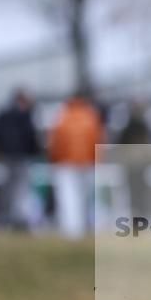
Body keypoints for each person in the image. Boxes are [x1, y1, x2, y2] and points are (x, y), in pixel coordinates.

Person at [47, 93, 105, 239]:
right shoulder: (90, 116)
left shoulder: (62, 117)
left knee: (68, 198)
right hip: (86, 163)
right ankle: (86, 227)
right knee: (85, 198)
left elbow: (55, 143)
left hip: (66, 163)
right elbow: (97, 140)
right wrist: (95, 160)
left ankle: (72, 230)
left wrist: (55, 160)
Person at [0, 89, 40, 229]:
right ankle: (16, 219)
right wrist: (35, 152)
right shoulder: (26, 116)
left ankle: (6, 218)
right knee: (20, 188)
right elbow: (32, 137)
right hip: (19, 157)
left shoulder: (3, 115)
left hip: (7, 156)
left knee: (8, 189)